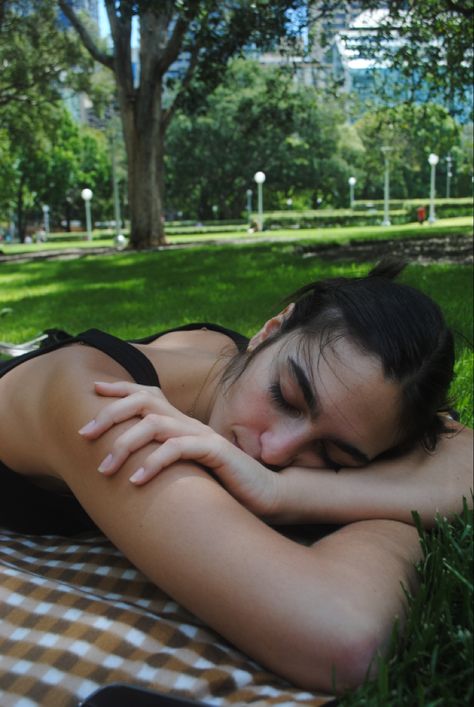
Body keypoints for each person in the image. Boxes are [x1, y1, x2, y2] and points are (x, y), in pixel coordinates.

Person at [0, 262, 471, 694]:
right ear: (269, 332)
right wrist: (393, 499)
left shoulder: (235, 362)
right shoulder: (107, 409)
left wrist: (287, 492)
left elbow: (462, 452)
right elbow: (344, 637)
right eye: (285, 397)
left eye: (332, 453)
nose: (275, 451)